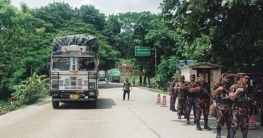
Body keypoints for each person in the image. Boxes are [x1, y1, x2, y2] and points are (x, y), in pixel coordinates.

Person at [229, 73, 254, 138]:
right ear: (241, 78)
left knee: (245, 127)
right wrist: (237, 91)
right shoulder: (233, 87)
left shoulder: (247, 87)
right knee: (234, 126)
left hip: (246, 110)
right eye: (245, 78)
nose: (247, 80)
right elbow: (231, 97)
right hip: (237, 109)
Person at [212, 73, 232, 138]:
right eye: (226, 78)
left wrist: (223, 88)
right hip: (220, 104)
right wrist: (218, 89)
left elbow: (231, 93)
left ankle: (229, 133)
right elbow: (213, 94)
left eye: (228, 78)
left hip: (229, 105)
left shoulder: (230, 85)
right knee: (219, 119)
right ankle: (218, 133)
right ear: (222, 78)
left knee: (229, 120)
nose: (228, 79)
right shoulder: (217, 85)